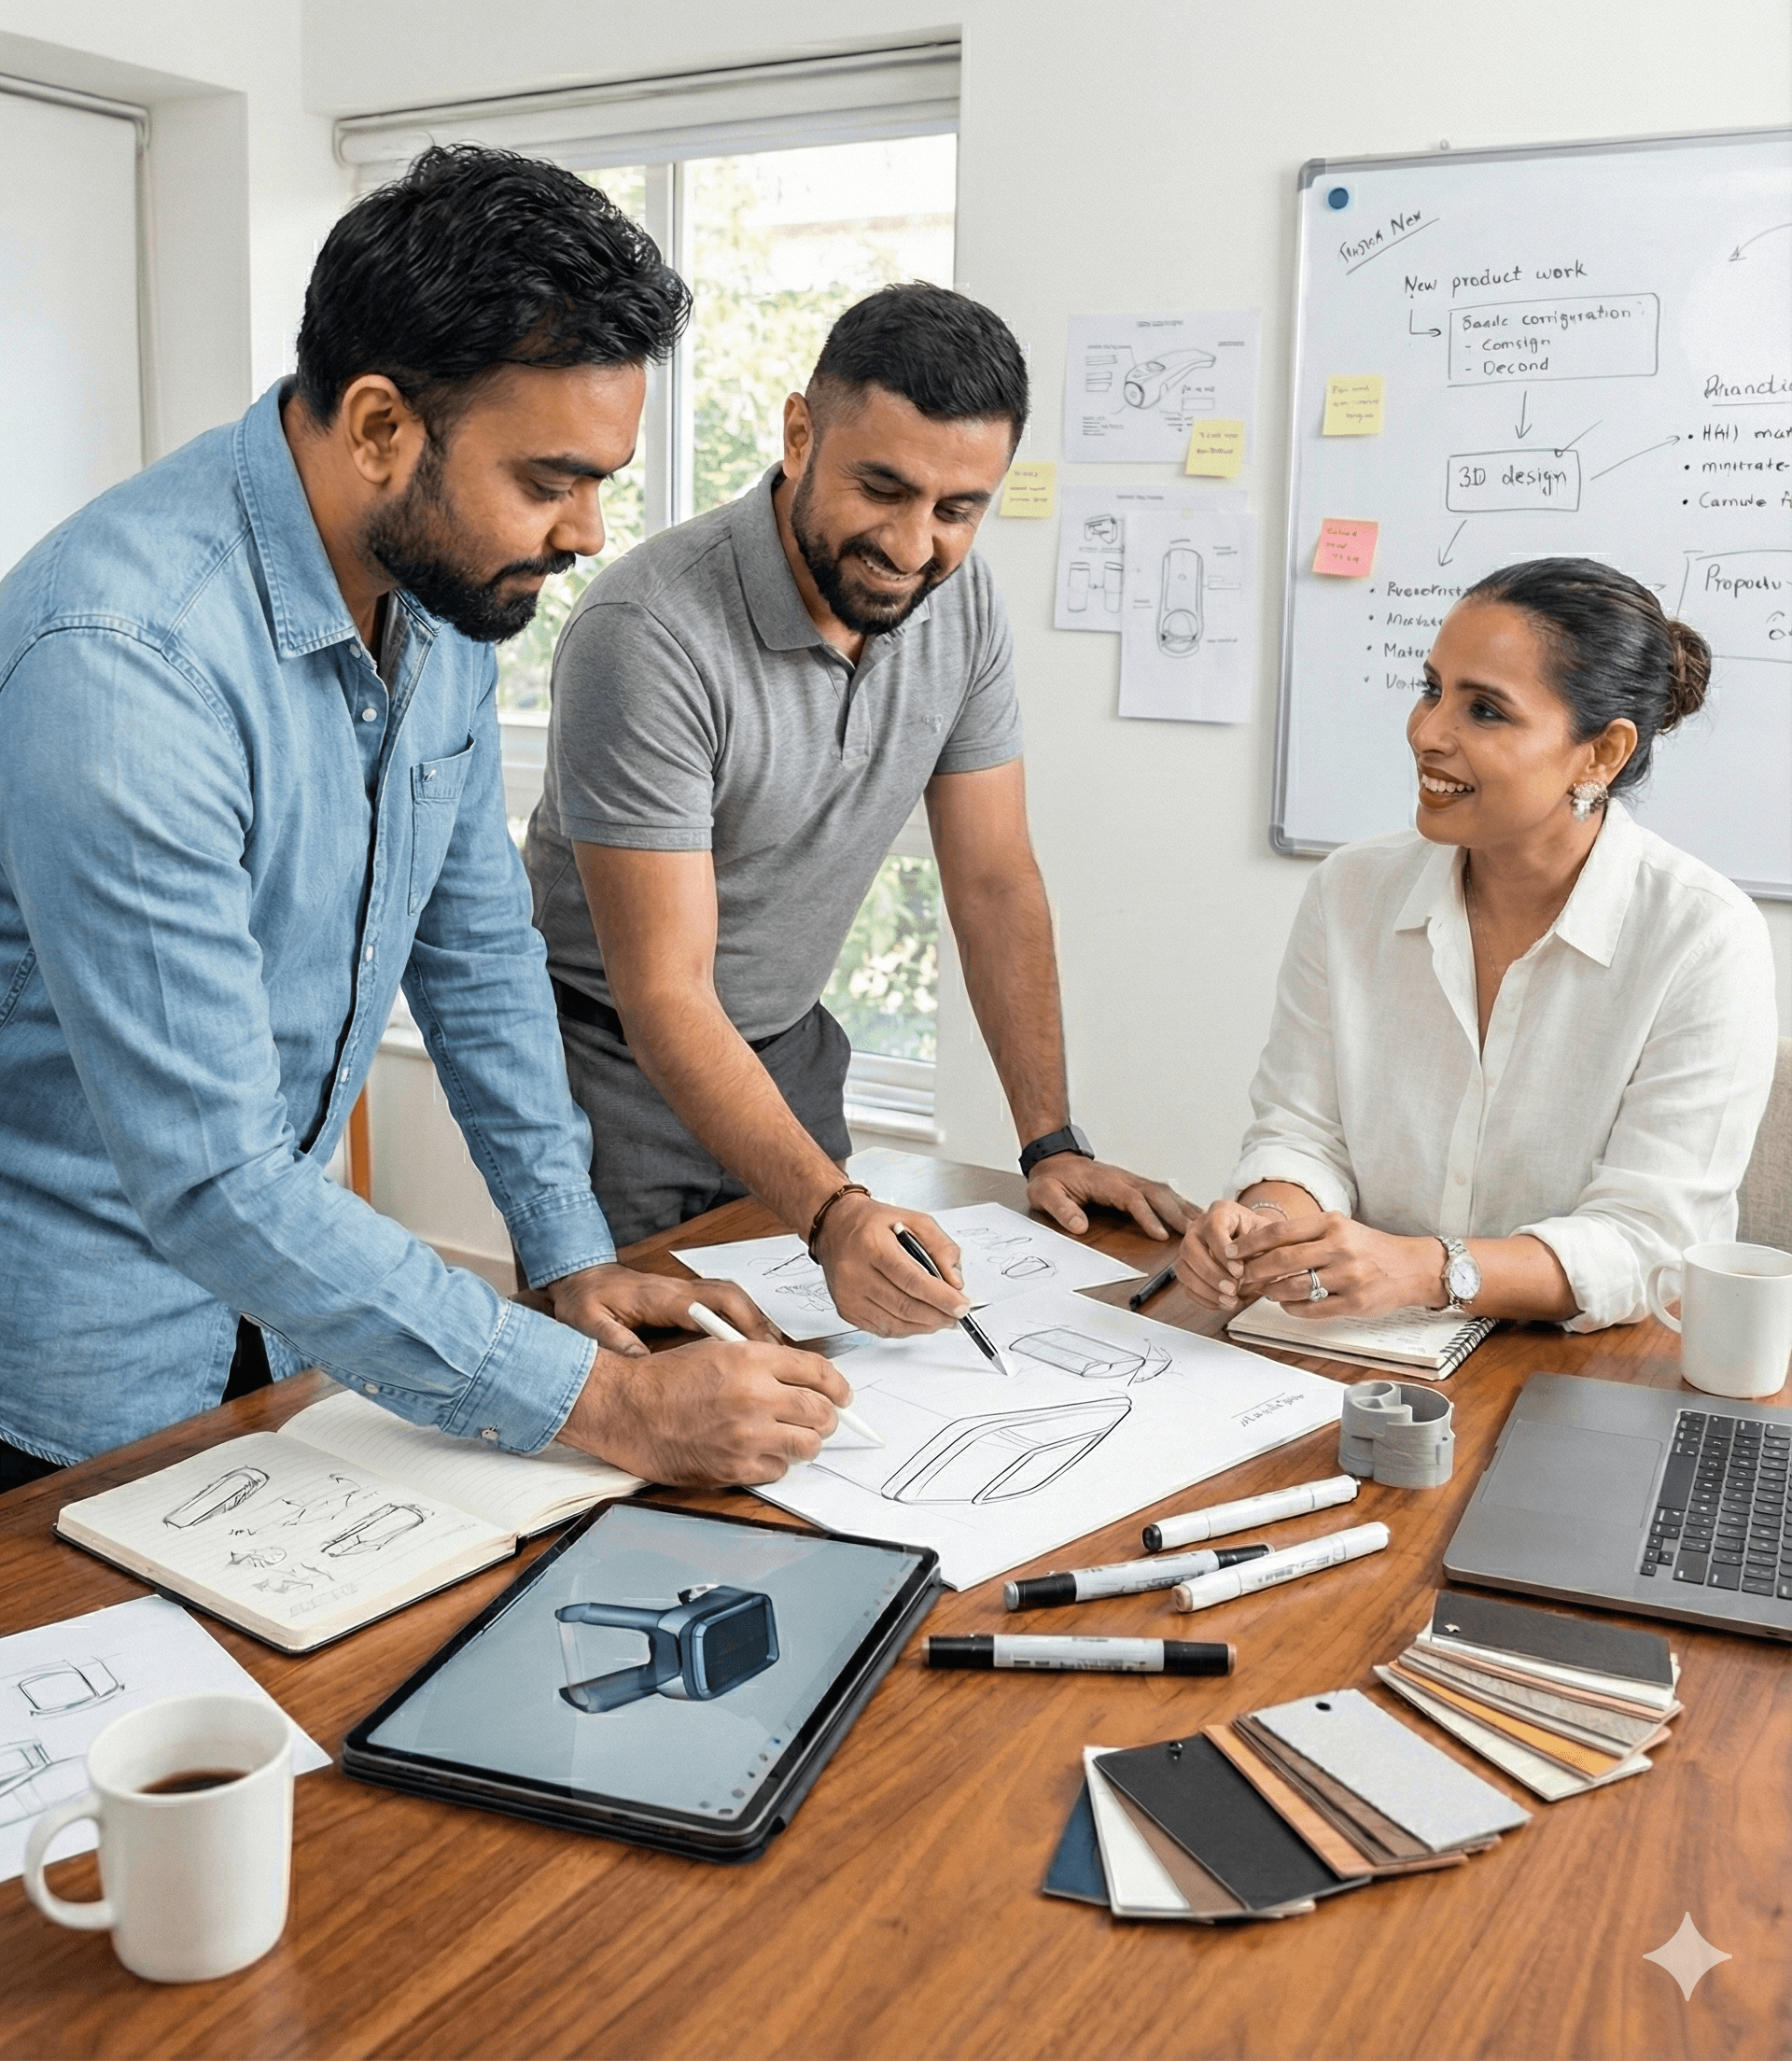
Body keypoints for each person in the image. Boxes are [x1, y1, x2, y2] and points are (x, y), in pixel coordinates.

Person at [0, 145, 853, 1494]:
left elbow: (479, 959)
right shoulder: (123, 658)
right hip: (66, 1369)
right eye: (550, 479)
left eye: (602, 484)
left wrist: (568, 1252)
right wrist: (607, 1408)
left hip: (280, 1320)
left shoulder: (442, 595)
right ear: (383, 427)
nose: (585, 534)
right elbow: (215, 1176)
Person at [525, 284, 1186, 1335]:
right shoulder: (647, 632)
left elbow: (994, 880)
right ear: (800, 435)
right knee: (653, 1399)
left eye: (959, 509)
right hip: (606, 1079)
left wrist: (1051, 1142)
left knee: (819, 1371)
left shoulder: (958, 605)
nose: (915, 545)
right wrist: (833, 1214)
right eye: (883, 488)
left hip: (787, 1055)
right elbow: (664, 994)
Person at [1174, 557, 1779, 1332]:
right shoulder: (1350, 891)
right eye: (1432, 689)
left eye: (1486, 711)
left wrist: (1428, 1268)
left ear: (1601, 754)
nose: (1427, 734)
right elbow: (1301, 1130)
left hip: (1580, 1367)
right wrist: (1268, 1222)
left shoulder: (1703, 937)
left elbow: (1650, 1244)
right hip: (1365, 1349)